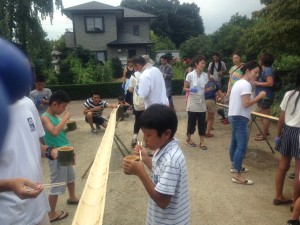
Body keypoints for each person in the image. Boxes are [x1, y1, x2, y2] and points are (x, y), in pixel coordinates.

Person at [122, 104, 190, 224]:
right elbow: (160, 172)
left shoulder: (171, 160)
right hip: (161, 219)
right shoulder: (163, 147)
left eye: (148, 135)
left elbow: (163, 201)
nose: (145, 139)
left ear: (166, 134)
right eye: (143, 134)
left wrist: (141, 172)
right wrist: (146, 158)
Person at [0, 96, 55, 225]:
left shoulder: (27, 103)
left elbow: (32, 145)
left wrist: (52, 151)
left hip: (39, 209)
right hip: (9, 217)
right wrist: (10, 185)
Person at [41, 90, 79, 222]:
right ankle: (51, 213)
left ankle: (72, 197)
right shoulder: (44, 117)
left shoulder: (56, 117)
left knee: (70, 176)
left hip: (66, 151)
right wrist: (65, 118)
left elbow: (60, 133)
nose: (64, 109)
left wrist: (68, 127)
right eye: (63, 106)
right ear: (55, 104)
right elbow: (54, 132)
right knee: (57, 183)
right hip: (56, 155)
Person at [228, 61, 266, 185]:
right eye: (255, 72)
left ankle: (235, 167)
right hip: (240, 117)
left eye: (258, 73)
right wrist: (259, 97)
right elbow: (246, 103)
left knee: (234, 143)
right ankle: (237, 174)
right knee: (242, 146)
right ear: (247, 70)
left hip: (233, 115)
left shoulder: (238, 83)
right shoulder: (246, 85)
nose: (256, 75)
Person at [274, 74, 300, 212]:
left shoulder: (289, 94)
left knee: (282, 166)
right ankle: (295, 204)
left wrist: (278, 135)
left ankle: (278, 196)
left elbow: (281, 119)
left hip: (287, 131)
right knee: (298, 171)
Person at [183, 54, 209, 150]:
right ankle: (188, 139)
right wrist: (190, 90)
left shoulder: (205, 75)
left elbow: (205, 89)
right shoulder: (190, 75)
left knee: (202, 122)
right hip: (193, 101)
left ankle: (202, 141)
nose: (203, 65)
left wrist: (212, 89)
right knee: (192, 121)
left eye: (204, 63)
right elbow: (184, 88)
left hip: (201, 101)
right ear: (196, 64)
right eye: (202, 63)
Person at [252, 53, 275, 141]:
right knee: (264, 114)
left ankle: (264, 134)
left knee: (264, 115)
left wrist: (257, 83)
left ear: (264, 60)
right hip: (263, 95)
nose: (259, 60)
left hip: (266, 96)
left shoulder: (267, 70)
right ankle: (265, 131)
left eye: (261, 58)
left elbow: (270, 83)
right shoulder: (263, 69)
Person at [128, 70, 145, 147]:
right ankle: (146, 141)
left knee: (137, 120)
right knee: (148, 121)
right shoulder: (148, 73)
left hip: (137, 103)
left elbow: (130, 90)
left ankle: (134, 138)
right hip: (147, 103)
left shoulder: (133, 75)